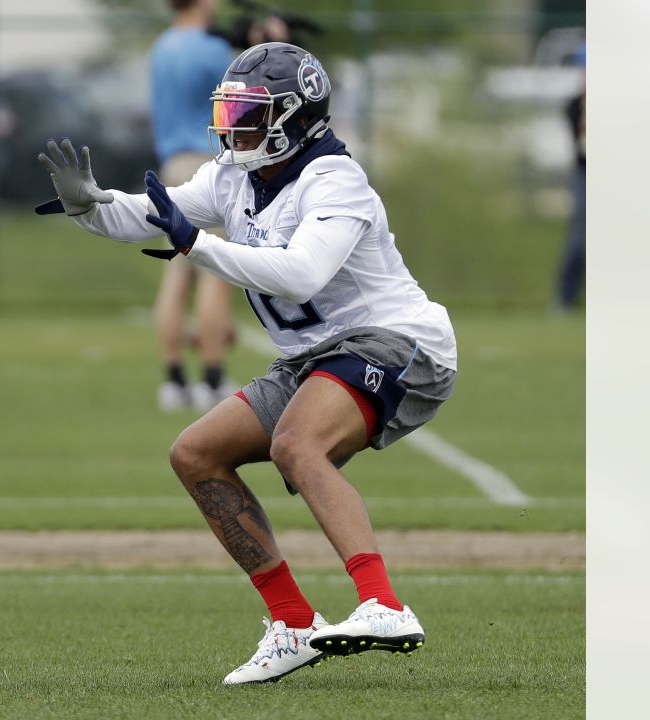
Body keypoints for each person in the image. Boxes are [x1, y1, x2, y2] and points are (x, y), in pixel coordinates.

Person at [36, 42, 457, 684]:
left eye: (250, 112)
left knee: (296, 444)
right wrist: (87, 204)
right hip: (313, 354)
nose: (234, 125)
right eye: (230, 109)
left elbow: (300, 274)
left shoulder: (333, 179)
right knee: (195, 453)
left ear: (295, 116)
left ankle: (384, 604)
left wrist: (195, 245)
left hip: (397, 341)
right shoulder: (232, 176)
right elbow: (148, 215)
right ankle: (292, 623)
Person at [148, 0, 238, 412]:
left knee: (178, 273)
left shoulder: (162, 47)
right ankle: (213, 378)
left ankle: (174, 380)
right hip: (206, 164)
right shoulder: (213, 49)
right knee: (214, 272)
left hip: (171, 164)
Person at [556, 44, 585, 311]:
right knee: (579, 239)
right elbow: (582, 148)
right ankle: (565, 299)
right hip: (585, 175)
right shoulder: (575, 105)